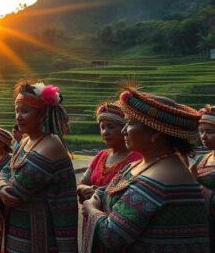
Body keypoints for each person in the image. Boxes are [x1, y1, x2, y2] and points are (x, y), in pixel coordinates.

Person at [81, 87, 210, 252]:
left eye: (130, 123)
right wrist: (98, 195)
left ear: (155, 132)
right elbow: (109, 189)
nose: (123, 130)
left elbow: (113, 236)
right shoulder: (144, 164)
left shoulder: (161, 177)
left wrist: (91, 210)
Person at [0, 81, 77, 253]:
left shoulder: (50, 147)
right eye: (17, 110)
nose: (18, 116)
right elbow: (5, 170)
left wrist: (1, 184)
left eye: (25, 111)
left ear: (42, 115)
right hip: (19, 233)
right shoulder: (27, 140)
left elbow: (13, 194)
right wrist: (3, 183)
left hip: (39, 239)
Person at [76, 102, 141, 204]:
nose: (105, 132)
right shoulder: (101, 155)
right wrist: (83, 189)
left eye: (110, 127)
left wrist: (101, 195)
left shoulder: (137, 159)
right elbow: (82, 183)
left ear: (124, 129)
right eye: (102, 127)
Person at [192, 106, 215, 247]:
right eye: (201, 131)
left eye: (210, 132)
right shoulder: (201, 160)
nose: (203, 137)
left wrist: (195, 185)